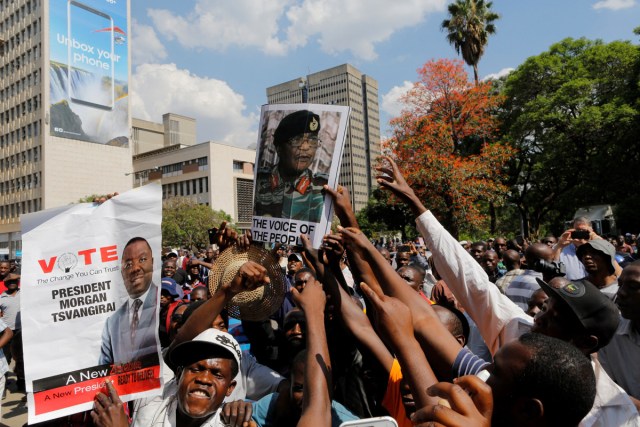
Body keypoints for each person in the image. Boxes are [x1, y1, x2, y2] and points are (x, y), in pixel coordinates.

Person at [254, 110, 328, 223]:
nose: (305, 147)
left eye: (313, 140)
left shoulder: (324, 187)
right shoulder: (258, 181)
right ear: (279, 148)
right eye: (297, 140)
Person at [99, 237, 159, 365]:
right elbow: (103, 369)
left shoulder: (163, 304)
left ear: (152, 263)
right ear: (122, 272)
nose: (135, 268)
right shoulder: (112, 323)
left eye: (142, 259)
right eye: (128, 264)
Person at [599, 261, 640, 410]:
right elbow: (607, 389)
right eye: (620, 285)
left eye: (634, 287)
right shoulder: (611, 331)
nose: (620, 293)